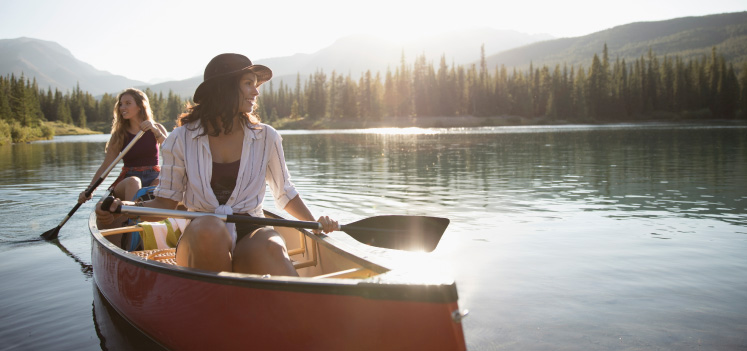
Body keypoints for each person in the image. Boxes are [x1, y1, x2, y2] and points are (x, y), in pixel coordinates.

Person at [97, 53, 337, 277]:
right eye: (248, 83)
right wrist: (123, 207)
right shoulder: (180, 139)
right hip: (200, 235)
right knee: (210, 228)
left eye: (256, 84)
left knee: (273, 248)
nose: (256, 92)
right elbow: (165, 202)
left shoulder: (267, 137)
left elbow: (285, 194)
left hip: (251, 228)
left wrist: (316, 224)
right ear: (225, 88)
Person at [80, 88, 168, 204]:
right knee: (133, 181)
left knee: (160, 182)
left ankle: (151, 212)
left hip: (153, 176)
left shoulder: (157, 128)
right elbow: (106, 165)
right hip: (128, 179)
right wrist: (90, 188)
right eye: (121, 104)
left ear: (140, 106)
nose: (122, 108)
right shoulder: (119, 135)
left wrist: (156, 131)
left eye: (128, 103)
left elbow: (172, 149)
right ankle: (132, 217)